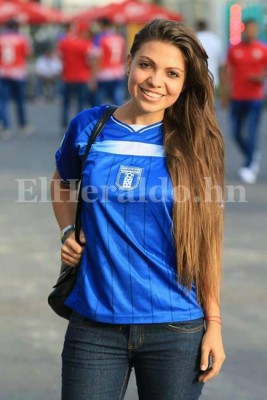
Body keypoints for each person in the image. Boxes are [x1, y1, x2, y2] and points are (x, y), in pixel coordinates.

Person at [51, 19, 225, 400]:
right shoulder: (89, 126)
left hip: (176, 328)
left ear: (184, 82)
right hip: (94, 324)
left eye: (172, 73)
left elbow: (206, 240)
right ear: (129, 62)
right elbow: (61, 182)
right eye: (146, 65)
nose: (155, 81)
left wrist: (213, 323)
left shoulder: (195, 143)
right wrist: (67, 232)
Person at [221, 19, 267, 184]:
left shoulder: (262, 49)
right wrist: (225, 95)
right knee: (235, 132)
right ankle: (251, 153)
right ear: (243, 30)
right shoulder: (234, 50)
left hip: (255, 97)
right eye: (249, 29)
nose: (252, 32)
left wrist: (261, 77)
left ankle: (248, 165)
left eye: (254, 29)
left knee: (252, 130)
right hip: (237, 97)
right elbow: (227, 72)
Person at [57, 23, 95, 133]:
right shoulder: (86, 44)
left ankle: (64, 125)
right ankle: (78, 126)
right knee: (80, 103)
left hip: (67, 77)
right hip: (82, 77)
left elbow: (60, 58)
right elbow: (91, 60)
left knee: (66, 103)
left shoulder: (64, 43)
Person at [0, 19, 33, 140]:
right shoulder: (22, 38)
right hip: (18, 73)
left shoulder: (1, 38)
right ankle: (22, 125)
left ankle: (5, 126)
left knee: (3, 101)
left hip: (3, 72)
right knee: (20, 100)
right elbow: (28, 54)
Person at [91, 17, 126, 105]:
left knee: (99, 103)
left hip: (103, 74)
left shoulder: (99, 38)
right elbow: (124, 56)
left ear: (101, 25)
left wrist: (93, 77)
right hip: (118, 73)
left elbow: (96, 58)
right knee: (118, 103)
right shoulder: (119, 38)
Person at [195, 20, 224, 90]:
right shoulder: (215, 39)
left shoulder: (194, 37)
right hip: (213, 78)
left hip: (196, 77)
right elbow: (221, 63)